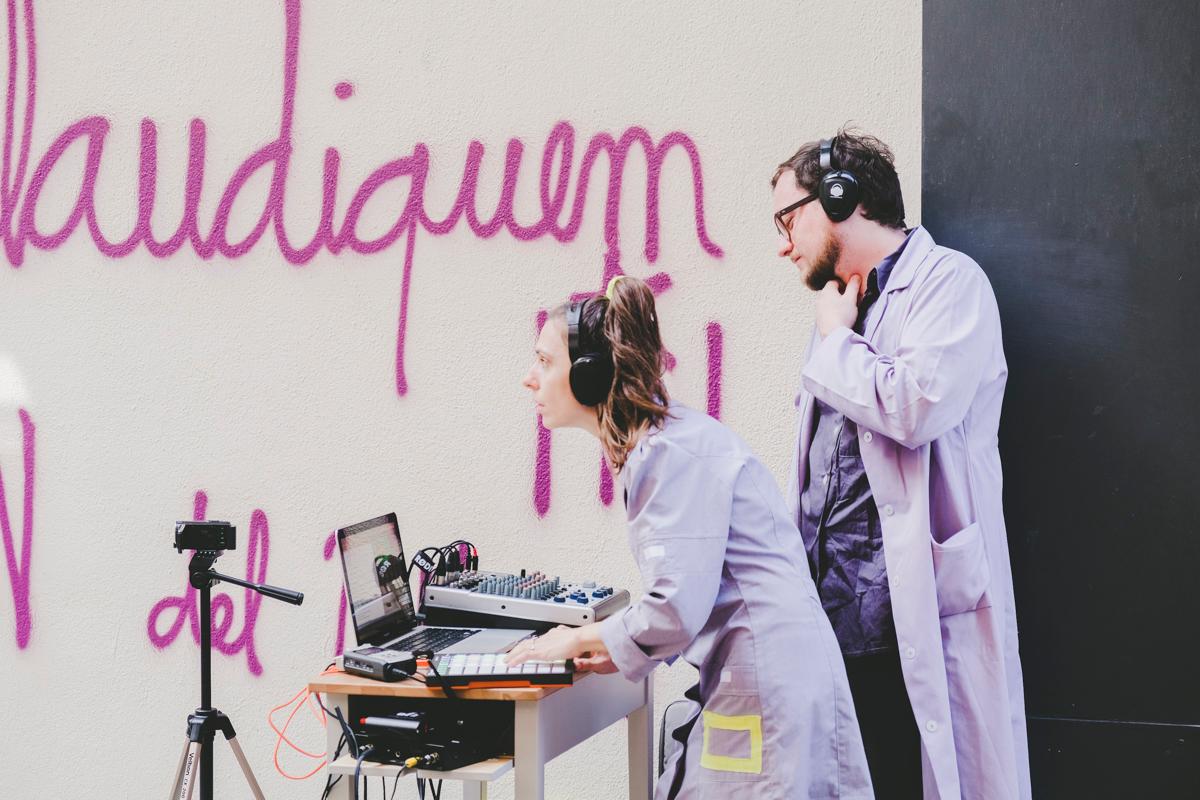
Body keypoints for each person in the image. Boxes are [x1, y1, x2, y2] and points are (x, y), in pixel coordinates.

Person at [508, 275, 872, 799]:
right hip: (765, 676)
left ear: (589, 376)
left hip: (765, 685)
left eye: (544, 361)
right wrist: (614, 648)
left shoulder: (667, 455)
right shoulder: (661, 444)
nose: (530, 378)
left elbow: (675, 609)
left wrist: (575, 639)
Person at [771, 129, 1030, 799]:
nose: (783, 244)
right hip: (831, 626)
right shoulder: (842, 306)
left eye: (787, 218)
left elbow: (915, 407)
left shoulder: (950, 283)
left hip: (904, 624)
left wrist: (834, 340)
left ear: (839, 198)